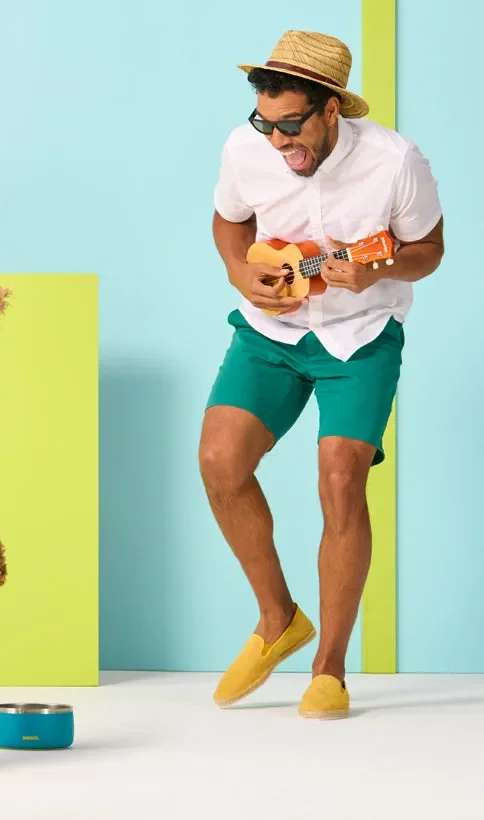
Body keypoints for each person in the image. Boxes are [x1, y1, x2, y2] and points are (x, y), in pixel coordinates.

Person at [201, 30, 444, 719]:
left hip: (361, 336)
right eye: (265, 124)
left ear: (333, 108)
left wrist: (380, 268)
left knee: (340, 479)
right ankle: (277, 618)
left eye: (292, 125)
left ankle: (330, 669)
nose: (278, 142)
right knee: (219, 461)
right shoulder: (243, 148)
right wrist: (240, 273)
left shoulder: (397, 162)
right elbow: (228, 221)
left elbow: (428, 248)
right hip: (271, 329)